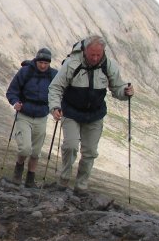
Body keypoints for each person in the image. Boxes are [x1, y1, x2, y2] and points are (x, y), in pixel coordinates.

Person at [47, 35, 134, 192]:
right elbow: (56, 87)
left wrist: (125, 92)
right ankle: (64, 179)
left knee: (90, 152)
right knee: (71, 146)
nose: (95, 58)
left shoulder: (109, 65)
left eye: (98, 55)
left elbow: (117, 89)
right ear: (85, 50)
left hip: (95, 115)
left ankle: (81, 186)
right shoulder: (72, 64)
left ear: (103, 52)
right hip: (71, 112)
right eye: (92, 54)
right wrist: (54, 107)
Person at [5, 47, 58, 188]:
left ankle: (30, 180)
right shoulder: (26, 72)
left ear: (49, 63)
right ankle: (18, 172)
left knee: (36, 152)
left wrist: (57, 109)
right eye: (40, 62)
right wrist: (15, 102)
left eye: (46, 63)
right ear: (36, 60)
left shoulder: (53, 76)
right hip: (24, 114)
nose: (43, 65)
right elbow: (12, 91)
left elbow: (58, 94)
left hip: (42, 117)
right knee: (25, 149)